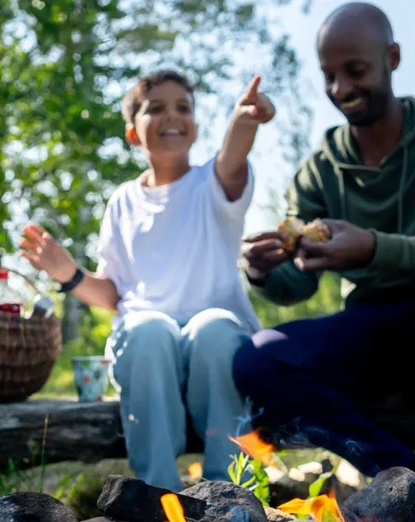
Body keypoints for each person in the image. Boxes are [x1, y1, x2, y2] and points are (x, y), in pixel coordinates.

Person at [231, 2, 415, 517]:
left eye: (355, 71)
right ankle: (410, 474)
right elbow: (297, 284)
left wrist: (370, 245)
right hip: (372, 333)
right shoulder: (319, 170)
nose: (340, 89)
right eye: (328, 75)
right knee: (257, 356)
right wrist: (261, 268)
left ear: (392, 58)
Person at [20, 69, 275, 492]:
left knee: (214, 327)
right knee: (147, 329)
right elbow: (113, 292)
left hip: (213, 356)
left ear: (195, 127)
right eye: (155, 108)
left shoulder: (212, 184)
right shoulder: (122, 201)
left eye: (183, 108)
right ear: (132, 132)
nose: (172, 116)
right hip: (147, 356)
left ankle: (230, 498)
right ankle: (158, 499)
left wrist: (245, 119)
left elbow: (232, 157)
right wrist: (69, 274)